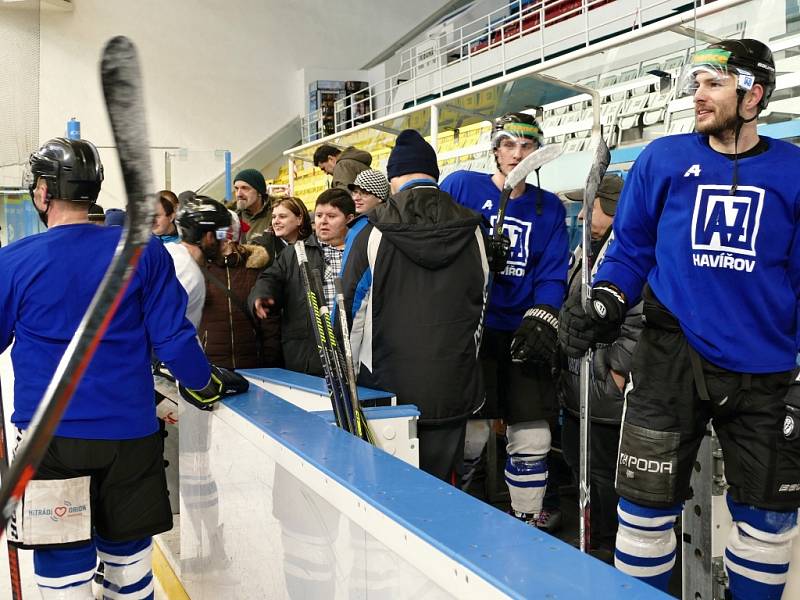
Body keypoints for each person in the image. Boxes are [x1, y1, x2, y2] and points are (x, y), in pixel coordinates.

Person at [559, 39, 799, 599]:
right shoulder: (662, 159)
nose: (698, 96)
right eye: (696, 84)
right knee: (642, 515)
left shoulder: (793, 171)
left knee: (767, 526)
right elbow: (631, 247)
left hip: (765, 373)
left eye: (713, 84)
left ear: (753, 94)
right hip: (670, 359)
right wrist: (607, 298)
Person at [1, 137, 246, 599]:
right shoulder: (143, 251)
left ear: (43, 191)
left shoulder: (12, 262)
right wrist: (205, 385)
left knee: (63, 566)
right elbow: (174, 337)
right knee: (128, 565)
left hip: (50, 440)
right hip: (129, 437)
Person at [440, 112, 569, 527]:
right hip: (471, 329)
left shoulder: (547, 207)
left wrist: (543, 315)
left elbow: (551, 273)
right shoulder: (461, 186)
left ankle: (526, 519)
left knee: (534, 436)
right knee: (471, 434)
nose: (517, 154)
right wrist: (471, 246)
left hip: (520, 330)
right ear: (494, 149)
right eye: (509, 144)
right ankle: (458, 512)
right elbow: (434, 241)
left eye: (527, 146)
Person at [341, 129, 488, 482]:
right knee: (445, 495)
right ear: (432, 174)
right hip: (453, 385)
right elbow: (480, 303)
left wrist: (348, 383)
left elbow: (349, 314)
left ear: (393, 178)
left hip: (386, 391)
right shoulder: (473, 229)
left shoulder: (371, 231)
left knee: (389, 493)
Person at [558, 175, 641, 562]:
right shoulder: (589, 247)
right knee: (582, 467)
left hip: (604, 394)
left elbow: (639, 320)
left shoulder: (631, 253)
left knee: (606, 477)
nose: (582, 212)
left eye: (589, 205)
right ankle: (595, 544)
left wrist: (615, 372)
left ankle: (612, 551)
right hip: (581, 388)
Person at [249, 189, 355, 375]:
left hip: (353, 349)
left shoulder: (361, 251)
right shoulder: (295, 253)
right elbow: (270, 278)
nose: (323, 221)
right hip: (309, 357)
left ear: (349, 218)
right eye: (320, 215)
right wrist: (262, 295)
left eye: (331, 216)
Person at [188, 202, 282, 369]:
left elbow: (269, 322)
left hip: (253, 365)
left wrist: (270, 363)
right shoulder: (198, 270)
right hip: (211, 366)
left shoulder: (254, 268)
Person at [250, 196, 313, 269]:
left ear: (299, 219)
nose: (276, 222)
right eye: (273, 217)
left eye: (282, 216)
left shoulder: (314, 245)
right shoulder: (261, 247)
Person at [233, 168, 274, 242]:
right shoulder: (232, 217)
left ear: (259, 192)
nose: (239, 194)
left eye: (244, 188)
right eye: (236, 189)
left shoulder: (276, 214)